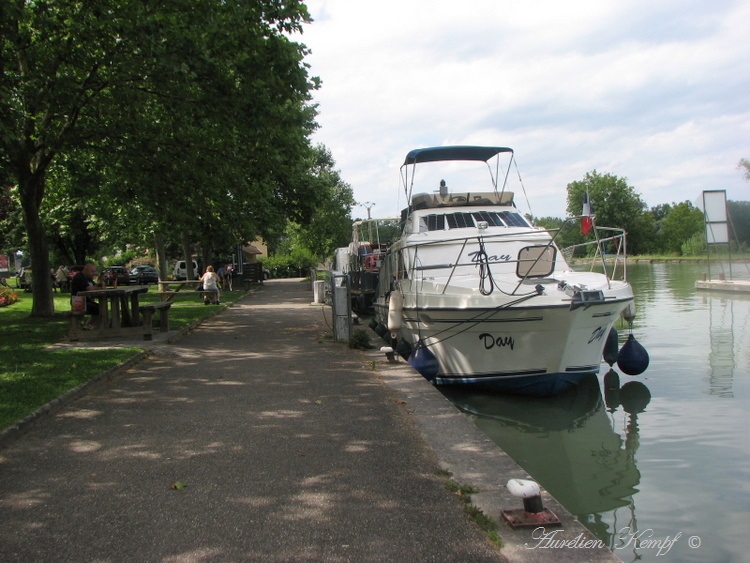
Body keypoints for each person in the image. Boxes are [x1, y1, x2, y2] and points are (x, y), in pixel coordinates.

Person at [70, 262, 104, 328]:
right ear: (86, 270)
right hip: (78, 303)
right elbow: (89, 289)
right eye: (92, 271)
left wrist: (101, 284)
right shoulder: (79, 277)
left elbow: (94, 286)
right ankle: (89, 326)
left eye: (94, 271)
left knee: (101, 308)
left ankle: (88, 325)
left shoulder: (88, 278)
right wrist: (99, 287)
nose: (93, 273)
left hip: (86, 301)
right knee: (99, 309)